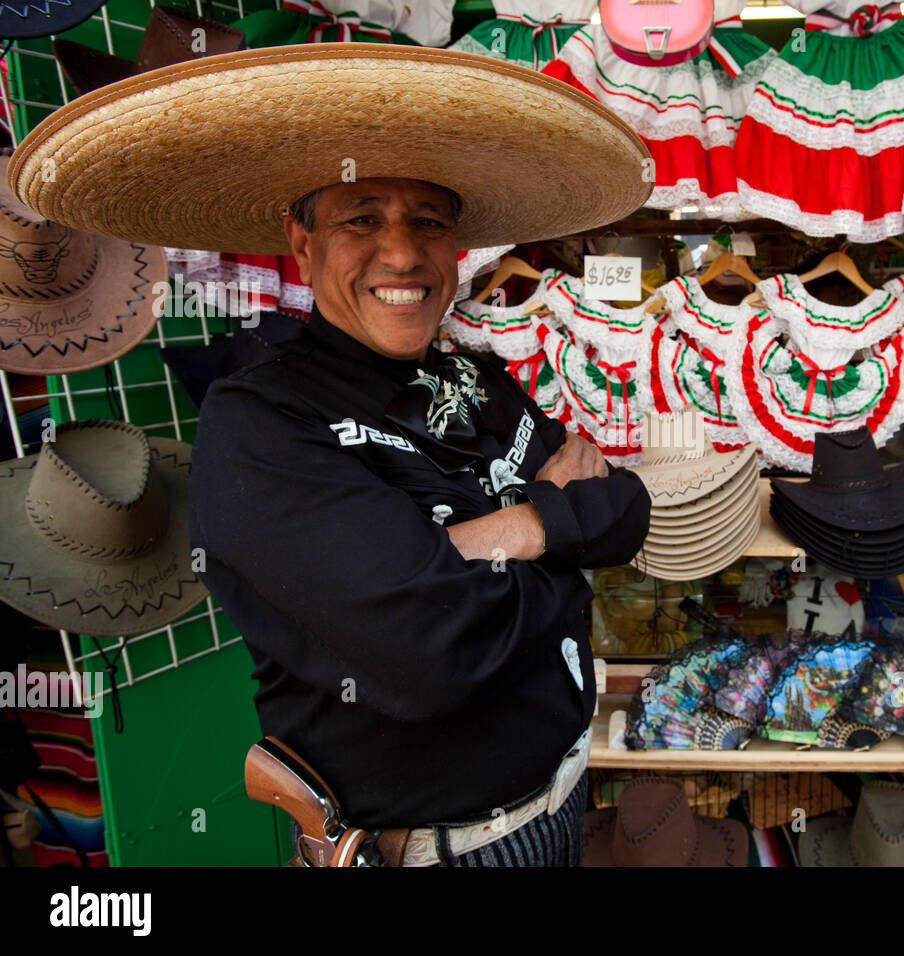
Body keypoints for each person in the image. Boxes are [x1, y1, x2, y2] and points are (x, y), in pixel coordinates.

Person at [188, 176, 650, 866]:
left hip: (562, 805)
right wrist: (557, 534)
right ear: (302, 245)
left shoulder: (476, 381)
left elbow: (622, 511)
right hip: (437, 853)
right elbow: (432, 655)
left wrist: (491, 541)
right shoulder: (263, 421)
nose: (402, 255)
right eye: (362, 220)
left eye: (428, 223)